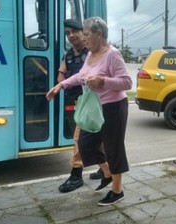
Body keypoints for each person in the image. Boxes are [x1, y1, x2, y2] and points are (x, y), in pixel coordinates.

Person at [46, 16, 132, 206]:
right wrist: (61, 85)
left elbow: (127, 82)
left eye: (86, 34)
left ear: (98, 34)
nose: (84, 38)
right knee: (85, 144)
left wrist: (103, 82)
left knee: (113, 148)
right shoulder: (91, 55)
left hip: (113, 108)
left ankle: (117, 190)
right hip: (95, 108)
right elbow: (80, 75)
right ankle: (108, 173)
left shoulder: (113, 54)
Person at [57, 19, 103, 193]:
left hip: (94, 102)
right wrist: (63, 83)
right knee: (91, 137)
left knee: (83, 137)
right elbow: (61, 74)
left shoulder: (92, 53)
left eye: (74, 32)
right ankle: (103, 168)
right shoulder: (68, 55)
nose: (70, 36)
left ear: (84, 33)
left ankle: (77, 174)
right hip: (79, 101)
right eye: (67, 33)